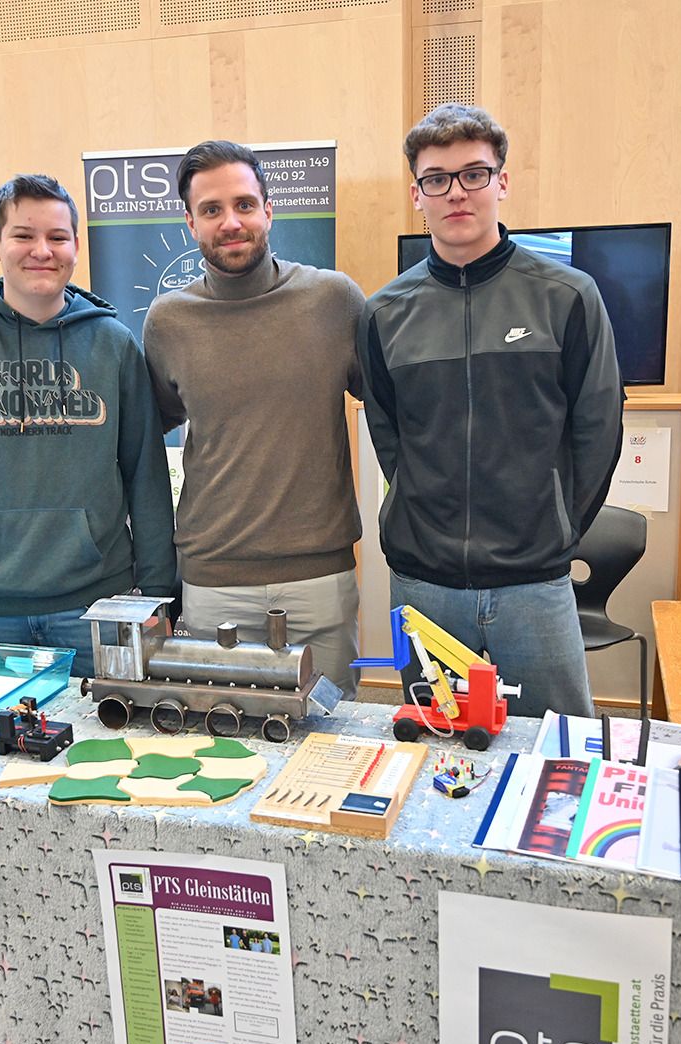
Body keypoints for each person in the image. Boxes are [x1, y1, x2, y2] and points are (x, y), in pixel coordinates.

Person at [358, 104, 624, 718]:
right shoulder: (383, 313)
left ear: (502, 182)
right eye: (436, 178)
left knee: (556, 754)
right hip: (424, 586)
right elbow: (389, 436)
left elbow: (598, 430)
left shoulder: (568, 296)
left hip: (534, 584)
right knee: (438, 750)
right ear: (416, 194)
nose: (456, 192)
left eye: (474, 174)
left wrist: (553, 526)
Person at [0, 175, 176, 676]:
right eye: (24, 235)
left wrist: (156, 594)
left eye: (57, 237)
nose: (42, 251)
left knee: (108, 729)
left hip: (99, 607)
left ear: (76, 247)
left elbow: (146, 476)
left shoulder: (114, 345)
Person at [143, 141, 366, 697]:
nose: (231, 222)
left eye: (244, 204)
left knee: (331, 729)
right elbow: (147, 432)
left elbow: (396, 413)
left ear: (269, 209)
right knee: (221, 732)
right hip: (213, 579)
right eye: (212, 209)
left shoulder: (334, 300)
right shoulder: (168, 322)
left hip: (320, 576)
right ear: (190, 222)